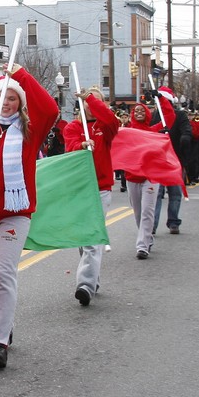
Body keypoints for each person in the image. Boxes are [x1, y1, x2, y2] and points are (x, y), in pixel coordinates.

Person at [0, 63, 57, 369]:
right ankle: (4, 324)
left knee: (5, 272)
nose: (7, 103)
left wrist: (21, 75)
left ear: (20, 102)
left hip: (16, 214)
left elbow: (50, 108)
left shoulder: (31, 131)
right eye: (2, 97)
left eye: (13, 98)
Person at [62, 87, 119, 306]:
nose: (91, 104)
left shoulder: (107, 126)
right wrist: (82, 145)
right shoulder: (73, 127)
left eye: (97, 101)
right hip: (79, 188)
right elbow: (70, 147)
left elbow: (110, 118)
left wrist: (91, 99)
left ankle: (85, 284)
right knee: (83, 238)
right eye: (87, 101)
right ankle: (92, 278)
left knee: (93, 237)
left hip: (101, 188)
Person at [123, 101, 167, 259]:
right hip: (132, 176)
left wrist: (161, 99)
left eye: (143, 110)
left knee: (147, 211)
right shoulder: (126, 131)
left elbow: (170, 117)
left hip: (151, 177)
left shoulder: (153, 131)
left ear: (148, 113)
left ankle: (142, 246)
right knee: (138, 213)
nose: (139, 113)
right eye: (136, 111)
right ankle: (147, 237)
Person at [150, 87, 189, 236]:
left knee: (175, 193)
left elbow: (187, 130)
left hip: (174, 158)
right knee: (157, 194)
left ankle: (173, 222)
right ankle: (152, 225)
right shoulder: (154, 116)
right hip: (158, 159)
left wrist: (185, 138)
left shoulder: (179, 116)